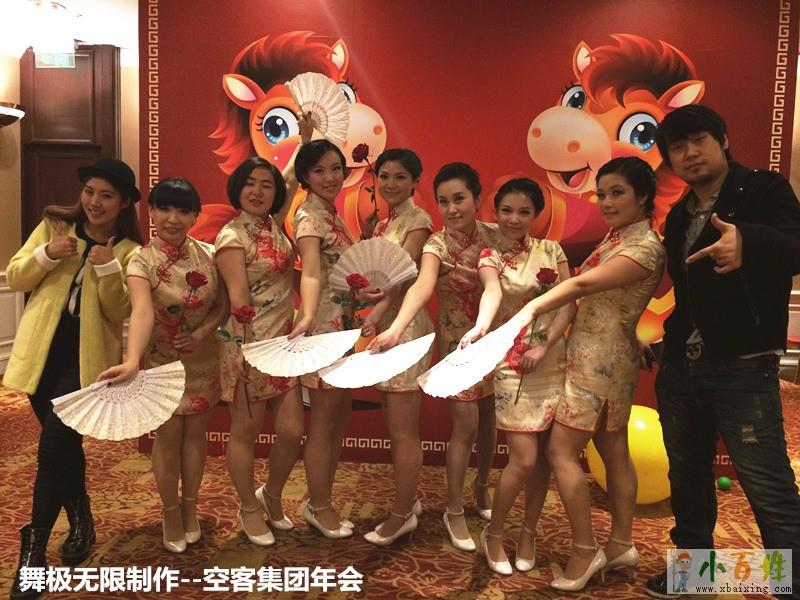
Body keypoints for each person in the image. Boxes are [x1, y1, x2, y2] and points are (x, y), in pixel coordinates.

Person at [644, 105, 800, 600]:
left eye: (700, 141)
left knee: (766, 483)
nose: (690, 154)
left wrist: (748, 242)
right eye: (678, 148)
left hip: (743, 367)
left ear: (724, 140)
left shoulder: (762, 190)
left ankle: (793, 583)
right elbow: (690, 296)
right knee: (687, 478)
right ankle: (694, 577)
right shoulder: (678, 215)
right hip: (683, 370)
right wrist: (668, 341)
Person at [513, 156, 665, 591]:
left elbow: (582, 285)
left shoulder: (644, 246)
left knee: (560, 452)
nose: (607, 202)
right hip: (605, 355)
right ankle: (620, 544)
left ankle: (585, 549)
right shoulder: (619, 237)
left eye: (618, 193)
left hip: (598, 364)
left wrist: (530, 309)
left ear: (643, 197)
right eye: (602, 194)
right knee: (614, 450)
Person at [5, 159, 143, 599]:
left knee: (52, 449)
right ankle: (81, 515)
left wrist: (107, 268)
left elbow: (120, 310)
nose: (94, 202)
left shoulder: (129, 251)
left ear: (123, 203)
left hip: (85, 365)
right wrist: (47, 254)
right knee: (64, 447)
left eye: (106, 195)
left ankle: (34, 549)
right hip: (42, 357)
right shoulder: (55, 226)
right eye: (89, 191)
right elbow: (16, 276)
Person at [368, 162, 500, 552]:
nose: (452, 209)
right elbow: (421, 285)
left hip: (496, 336)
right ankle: (453, 510)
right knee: (465, 425)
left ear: (477, 198)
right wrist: (395, 329)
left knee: (490, 418)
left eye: (459, 199)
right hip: (459, 342)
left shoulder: (496, 235)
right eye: (444, 201)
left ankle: (482, 487)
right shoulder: (435, 245)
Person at [98, 177, 227, 553]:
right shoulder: (142, 260)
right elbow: (141, 311)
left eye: (183, 210)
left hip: (203, 359)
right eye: (165, 208)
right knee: (168, 438)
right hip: (162, 362)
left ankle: (190, 508)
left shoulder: (210, 253)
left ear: (195, 216)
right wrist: (132, 359)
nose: (173, 218)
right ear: (151, 211)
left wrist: (201, 333)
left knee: (196, 436)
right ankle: (170, 512)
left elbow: (222, 306)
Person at [460, 178, 575, 574]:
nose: (514, 218)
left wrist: (545, 347)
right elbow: (491, 293)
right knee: (524, 459)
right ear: (496, 212)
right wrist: (481, 326)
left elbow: (568, 301)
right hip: (511, 362)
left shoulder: (552, 250)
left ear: (536, 215)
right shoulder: (490, 255)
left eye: (524, 211)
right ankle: (493, 535)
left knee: (543, 460)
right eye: (506, 210)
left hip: (552, 360)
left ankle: (528, 533)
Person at [290, 139, 382, 538]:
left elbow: (339, 276)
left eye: (334, 169)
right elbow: (311, 272)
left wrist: (366, 292)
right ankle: (318, 505)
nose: (329, 177)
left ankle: (320, 499)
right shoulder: (310, 217)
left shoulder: (332, 215)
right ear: (305, 177)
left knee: (339, 418)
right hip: (322, 332)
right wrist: (309, 315)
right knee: (324, 423)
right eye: (318, 171)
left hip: (343, 329)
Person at [214, 157, 304, 546]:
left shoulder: (273, 226)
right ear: (238, 188)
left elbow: (290, 178)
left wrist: (305, 141)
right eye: (250, 183)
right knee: (245, 433)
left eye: (266, 185)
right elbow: (238, 299)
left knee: (292, 432)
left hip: (284, 346)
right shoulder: (232, 237)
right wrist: (244, 349)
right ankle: (248, 507)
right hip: (247, 346)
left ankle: (271, 495)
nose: (257, 191)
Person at [358, 149, 435, 545]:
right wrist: (373, 312)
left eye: (400, 177)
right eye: (385, 176)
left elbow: (402, 274)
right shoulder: (383, 222)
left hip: (406, 332)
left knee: (404, 431)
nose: (391, 184)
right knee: (395, 426)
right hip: (385, 328)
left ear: (415, 181)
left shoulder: (418, 221)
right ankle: (409, 499)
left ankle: (402, 515)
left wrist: (375, 306)